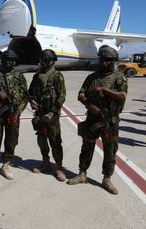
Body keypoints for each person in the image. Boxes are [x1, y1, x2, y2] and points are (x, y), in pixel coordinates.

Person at [67, 46, 127, 195]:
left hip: (110, 121)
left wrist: (104, 90)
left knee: (110, 150)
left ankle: (107, 178)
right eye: (102, 59)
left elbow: (122, 96)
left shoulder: (119, 78)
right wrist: (90, 105)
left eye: (107, 60)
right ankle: (82, 174)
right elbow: (81, 94)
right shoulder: (92, 77)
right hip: (93, 118)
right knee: (87, 147)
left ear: (113, 61)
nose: (104, 63)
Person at [0, 50, 28, 184]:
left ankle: (6, 165)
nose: (10, 63)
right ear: (3, 61)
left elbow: (25, 96)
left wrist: (18, 112)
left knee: (11, 140)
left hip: (13, 114)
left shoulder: (19, 76)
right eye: (7, 60)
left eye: (12, 60)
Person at [28, 49, 66, 181]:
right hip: (40, 114)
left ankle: (59, 168)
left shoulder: (57, 76)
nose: (43, 63)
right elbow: (30, 92)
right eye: (42, 60)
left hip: (52, 116)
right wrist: (32, 101)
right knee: (42, 139)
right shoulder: (37, 76)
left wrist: (52, 112)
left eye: (46, 61)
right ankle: (45, 163)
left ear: (52, 61)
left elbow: (62, 96)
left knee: (55, 141)